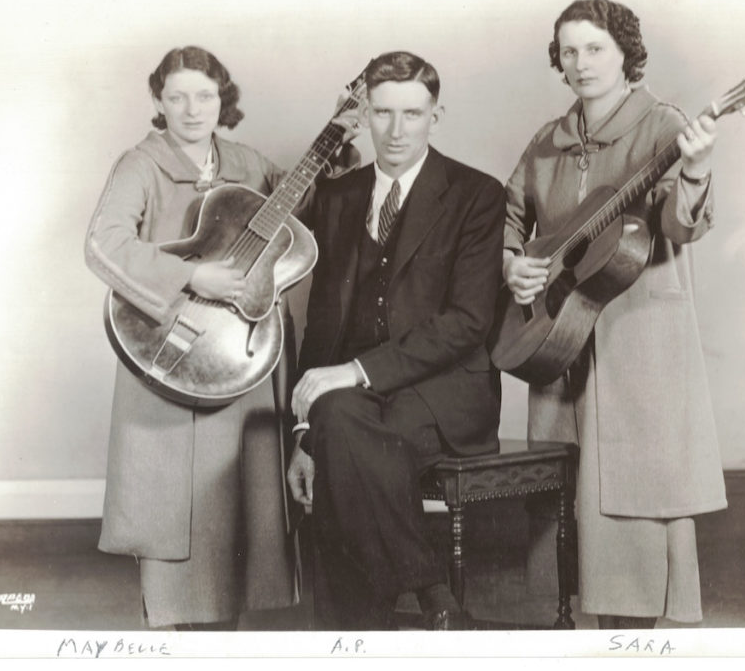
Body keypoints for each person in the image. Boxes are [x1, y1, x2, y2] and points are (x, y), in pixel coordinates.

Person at [84, 45, 357, 630]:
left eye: (204, 95)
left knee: (241, 505)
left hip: (240, 354)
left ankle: (224, 646)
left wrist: (337, 138)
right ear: (158, 101)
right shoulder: (141, 164)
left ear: (222, 100)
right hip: (173, 345)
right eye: (177, 96)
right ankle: (180, 643)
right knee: (175, 513)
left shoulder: (244, 161)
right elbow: (104, 243)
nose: (191, 109)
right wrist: (191, 273)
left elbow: (303, 205)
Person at [502, 0, 727, 629]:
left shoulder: (663, 125)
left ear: (626, 52)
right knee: (560, 494)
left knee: (635, 490)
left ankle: (633, 644)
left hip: (637, 337)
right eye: (568, 51)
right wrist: (511, 262)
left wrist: (698, 167)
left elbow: (682, 226)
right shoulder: (548, 140)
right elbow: (511, 217)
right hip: (558, 334)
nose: (581, 63)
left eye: (595, 47)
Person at [285, 51, 506, 631]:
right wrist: (303, 432)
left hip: (443, 392)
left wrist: (354, 375)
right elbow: (322, 325)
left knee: (345, 446)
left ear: (437, 114)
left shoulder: (476, 194)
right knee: (334, 429)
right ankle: (433, 596)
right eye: (382, 113)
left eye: (413, 113)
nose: (397, 129)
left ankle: (354, 637)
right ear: (365, 115)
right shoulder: (338, 197)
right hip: (355, 400)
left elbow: (466, 323)